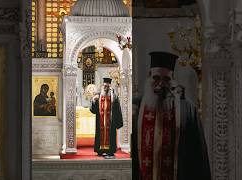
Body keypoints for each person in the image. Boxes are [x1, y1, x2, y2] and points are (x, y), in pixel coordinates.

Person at [132, 52, 211, 180]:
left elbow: (199, 157)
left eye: (166, 79)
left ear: (173, 79)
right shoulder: (135, 108)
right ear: (149, 76)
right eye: (156, 78)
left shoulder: (188, 110)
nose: (161, 84)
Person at [89, 78, 123, 159]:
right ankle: (100, 150)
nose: (105, 88)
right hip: (100, 120)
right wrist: (94, 101)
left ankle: (110, 151)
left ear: (109, 86)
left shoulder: (114, 96)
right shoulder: (98, 95)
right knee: (100, 133)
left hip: (110, 121)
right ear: (102, 86)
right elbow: (93, 109)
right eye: (104, 86)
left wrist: (118, 122)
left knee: (110, 135)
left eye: (107, 86)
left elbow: (117, 108)